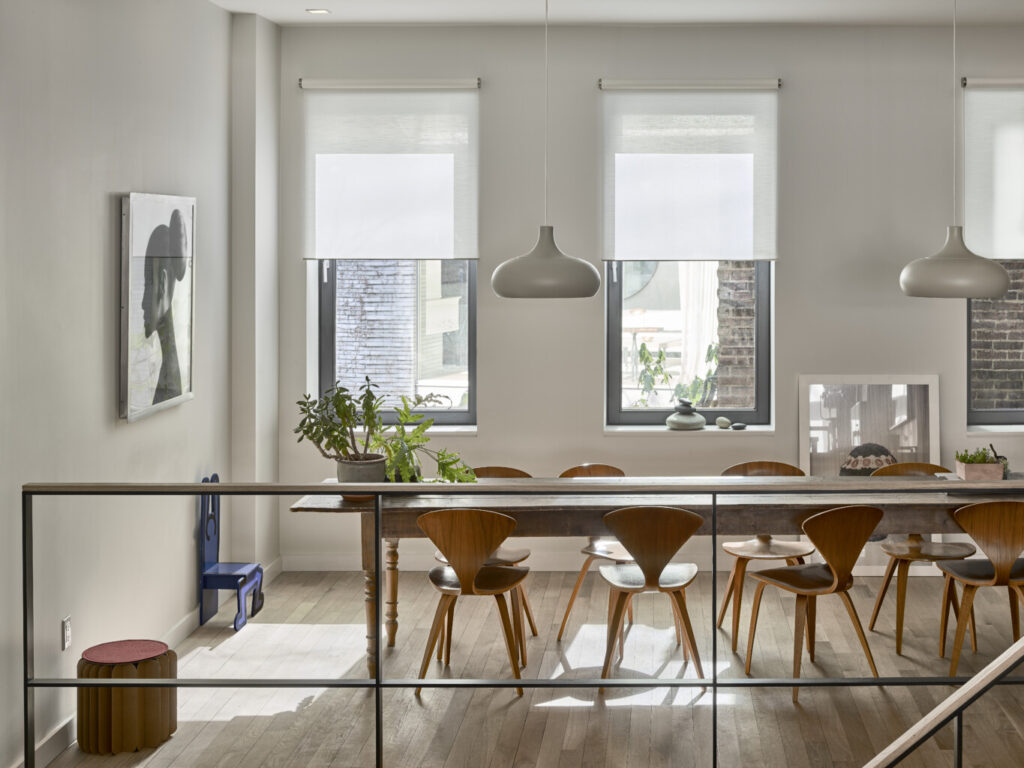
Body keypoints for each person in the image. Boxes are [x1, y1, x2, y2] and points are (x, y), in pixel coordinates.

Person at [142, 209, 188, 404]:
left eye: (147, 285)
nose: (142, 304)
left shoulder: (169, 382)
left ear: (161, 283)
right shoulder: (173, 373)